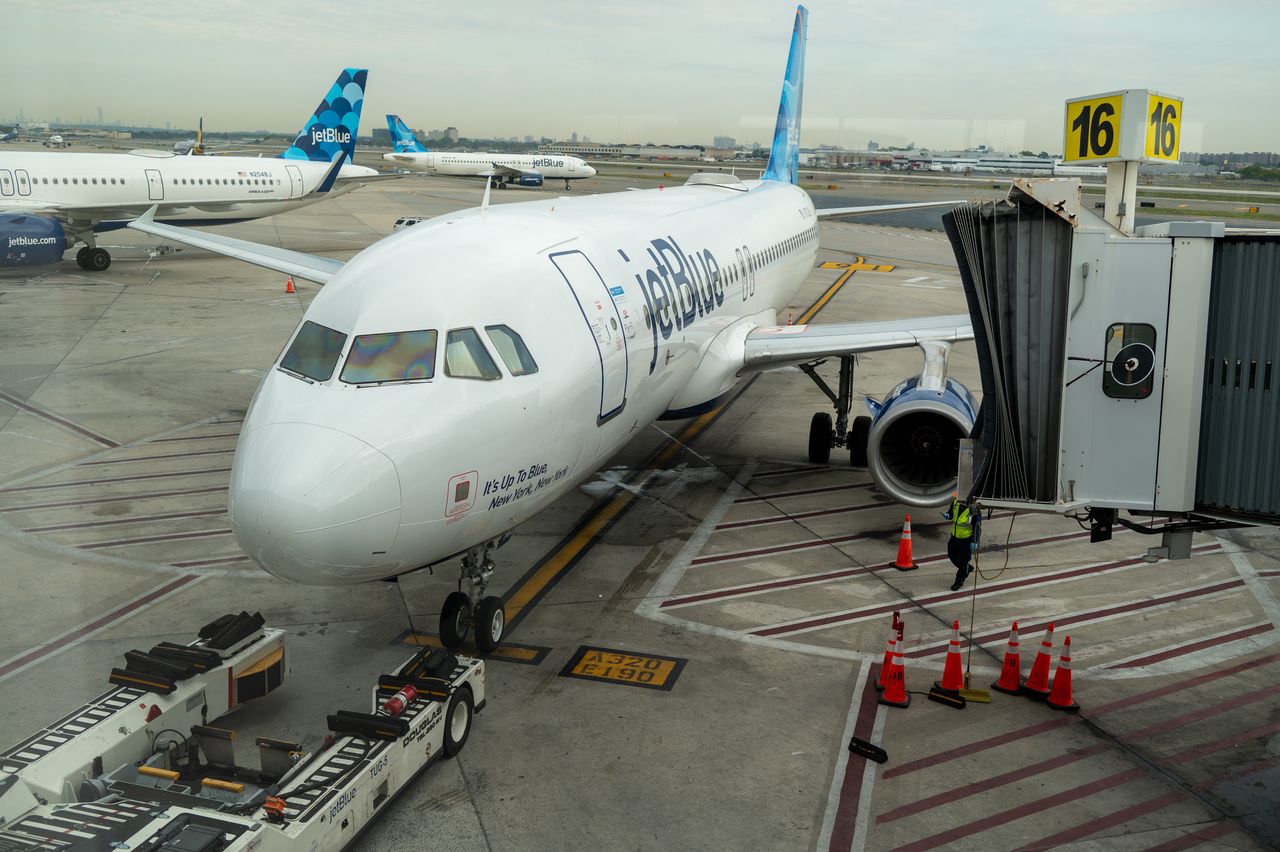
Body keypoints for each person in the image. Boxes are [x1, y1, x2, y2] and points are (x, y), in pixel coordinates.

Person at [944, 494, 979, 591]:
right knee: (951, 555)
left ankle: (959, 580)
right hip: (954, 536)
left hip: (966, 539)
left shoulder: (974, 508)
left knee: (963, 561)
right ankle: (966, 568)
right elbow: (951, 511)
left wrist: (975, 541)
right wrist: (948, 515)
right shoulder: (956, 502)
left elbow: (977, 526)